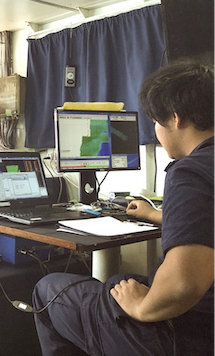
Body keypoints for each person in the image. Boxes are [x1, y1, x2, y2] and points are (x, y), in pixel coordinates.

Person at [32, 60, 213, 356]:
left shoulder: (189, 172)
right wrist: (154, 214)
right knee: (118, 281)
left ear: (176, 119)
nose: (155, 129)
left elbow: (185, 283)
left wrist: (141, 307)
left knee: (48, 289)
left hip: (184, 334)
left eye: (156, 121)